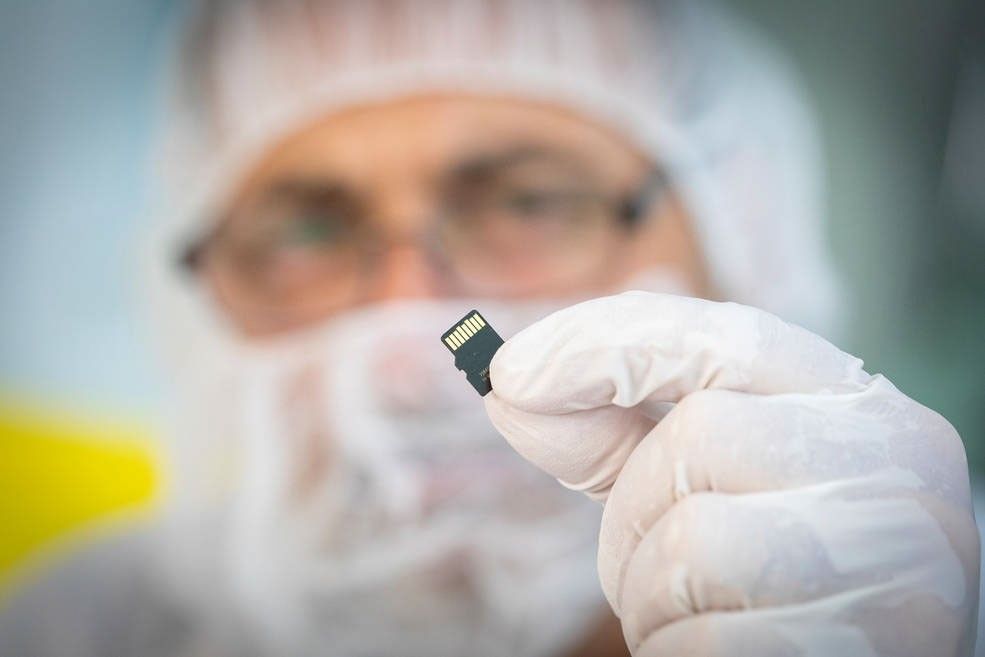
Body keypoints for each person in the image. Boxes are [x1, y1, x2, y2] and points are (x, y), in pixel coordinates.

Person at [1, 1, 978, 656]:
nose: (404, 351)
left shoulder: (926, 594)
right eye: (304, 229)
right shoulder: (89, 628)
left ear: (742, 238)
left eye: (526, 203)